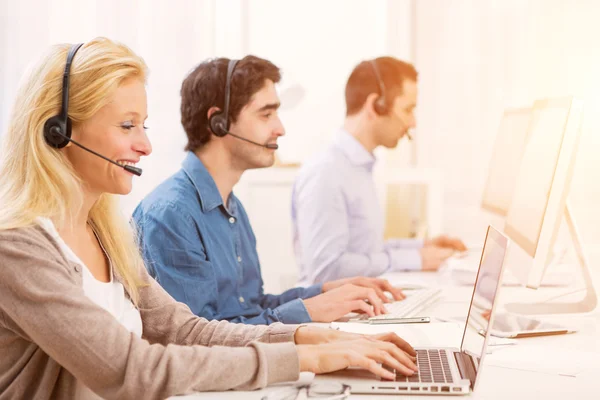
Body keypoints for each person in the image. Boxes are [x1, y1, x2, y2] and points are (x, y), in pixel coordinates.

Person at [0, 39, 418, 399]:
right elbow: (131, 369)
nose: (145, 145)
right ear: (57, 130)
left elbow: (187, 330)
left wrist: (308, 336)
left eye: (143, 125)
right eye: (127, 126)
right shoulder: (18, 247)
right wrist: (301, 355)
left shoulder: (104, 232)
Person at [132, 56, 406, 326]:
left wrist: (324, 293)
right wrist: (308, 311)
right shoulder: (171, 215)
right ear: (219, 122)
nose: (280, 129)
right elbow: (201, 340)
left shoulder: (231, 207)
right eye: (266, 114)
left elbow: (250, 308)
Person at [292, 57, 467, 285]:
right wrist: (416, 259)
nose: (412, 122)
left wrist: (422, 247)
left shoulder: (356, 168)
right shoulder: (326, 173)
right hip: (335, 316)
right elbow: (326, 270)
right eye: (407, 109)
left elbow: (365, 249)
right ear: (376, 105)